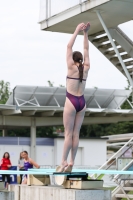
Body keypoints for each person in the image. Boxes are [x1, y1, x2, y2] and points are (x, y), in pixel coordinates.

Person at [57, 22, 90, 172]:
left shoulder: (71, 67)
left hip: (71, 101)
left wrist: (77, 29)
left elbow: (69, 47)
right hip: (82, 102)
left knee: (68, 134)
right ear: (81, 59)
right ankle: (71, 161)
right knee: (76, 134)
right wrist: (86, 33)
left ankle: (63, 161)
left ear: (73, 59)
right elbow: (86, 48)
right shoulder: (87, 67)